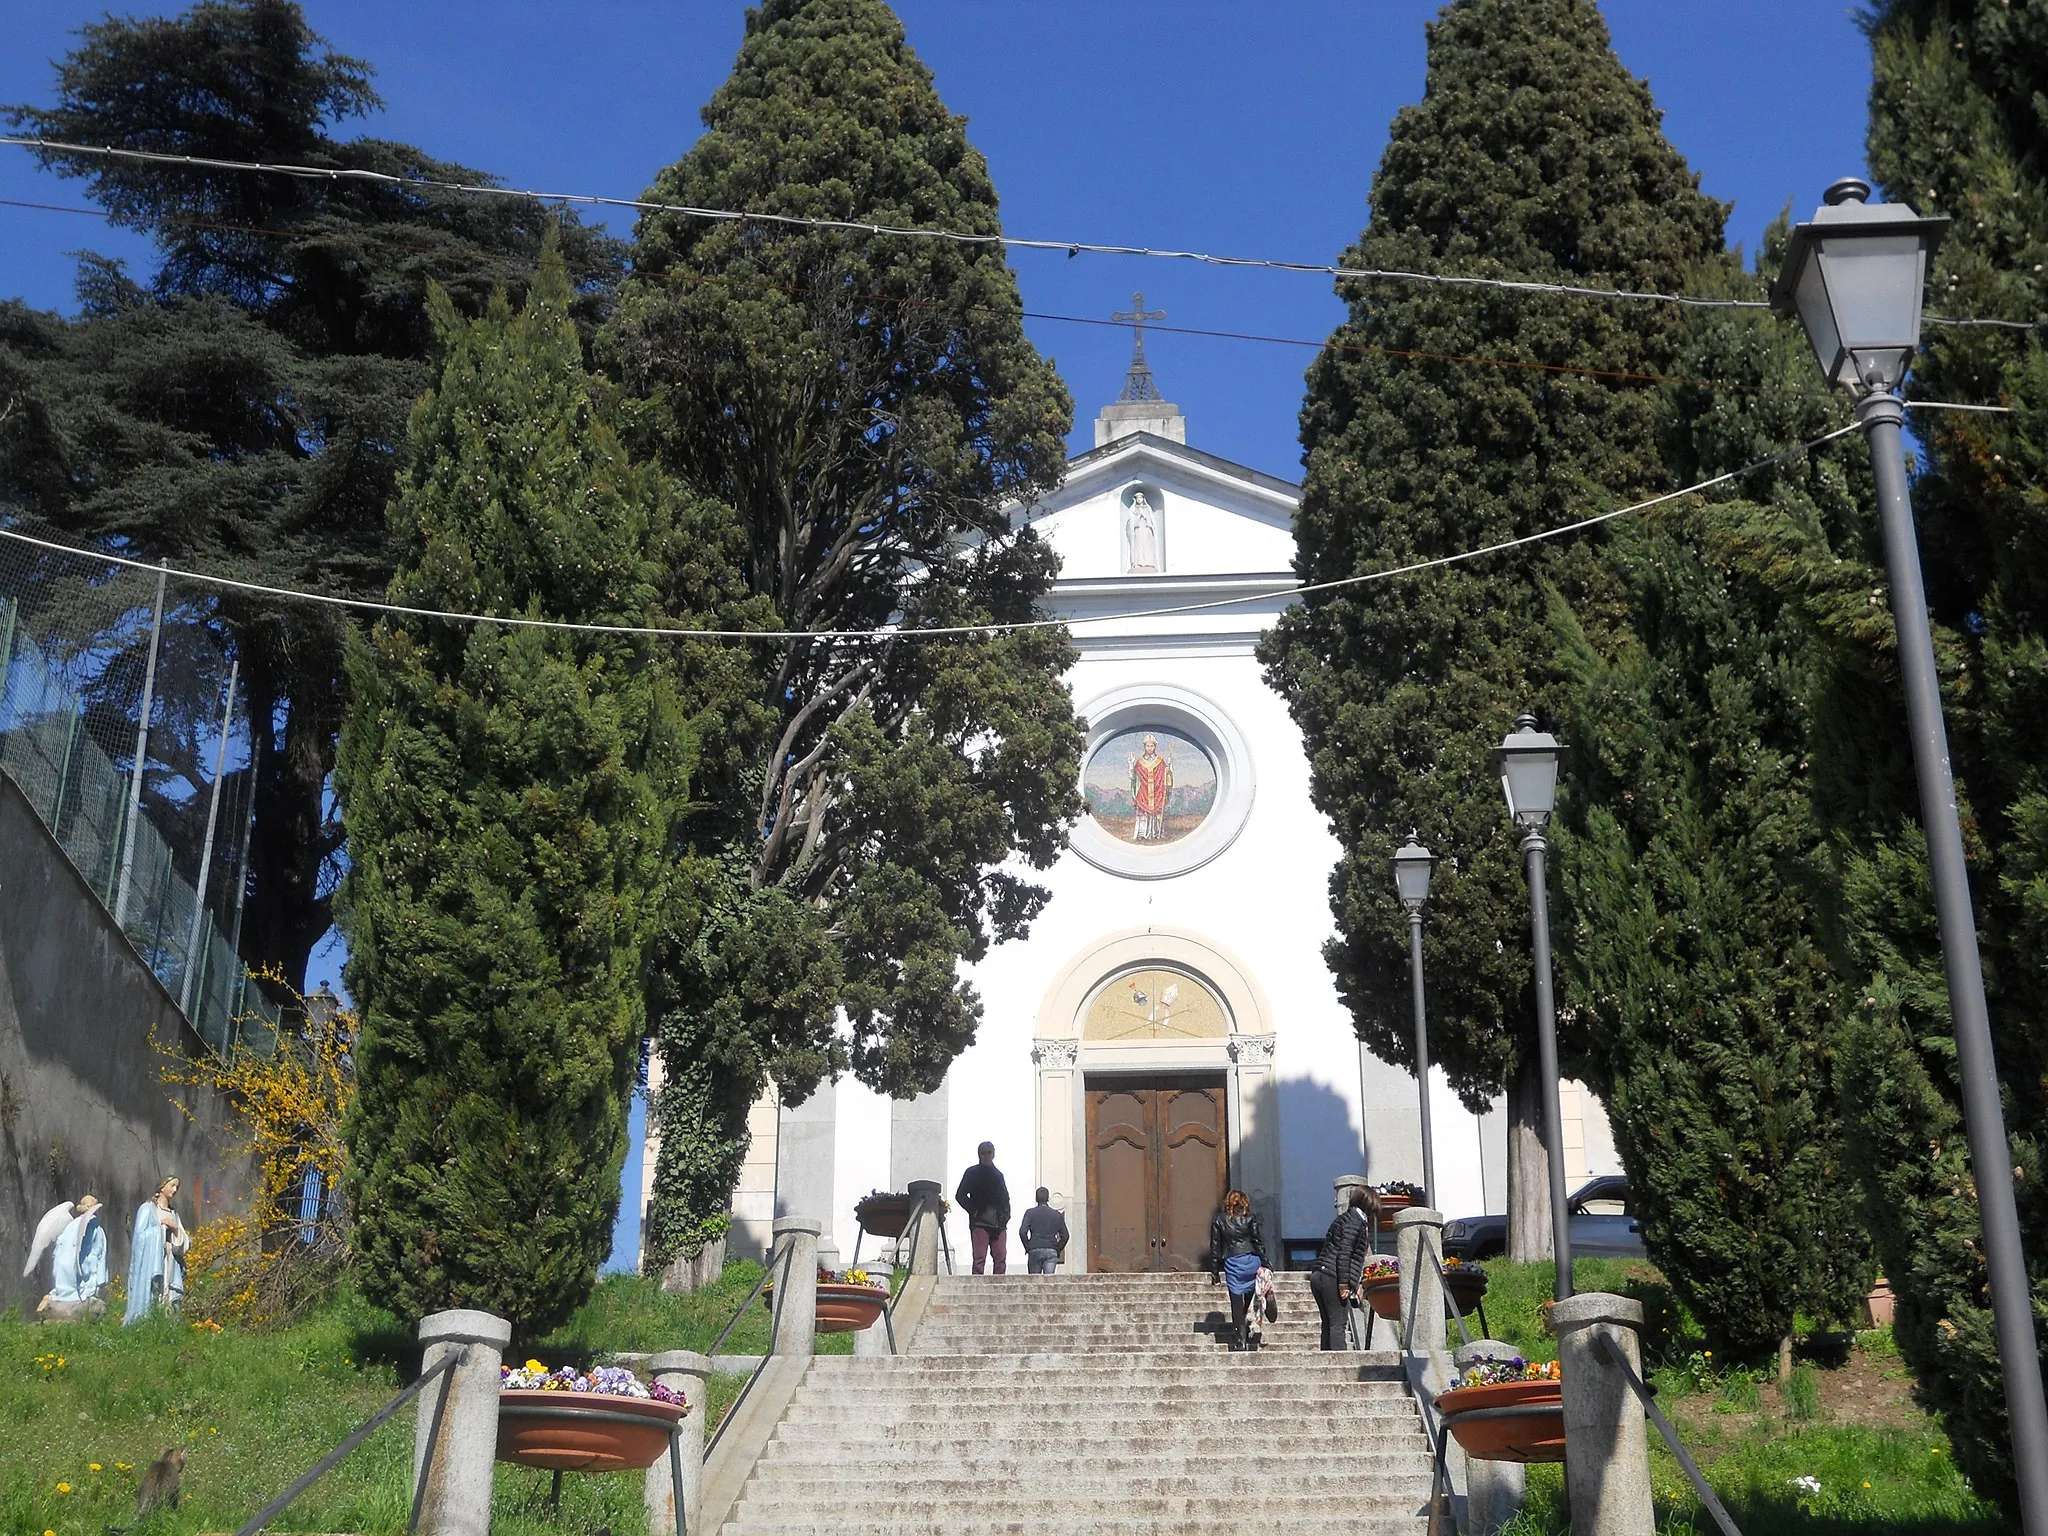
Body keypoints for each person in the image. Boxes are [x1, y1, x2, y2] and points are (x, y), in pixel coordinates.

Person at [1310, 1186, 1376, 1350]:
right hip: (1333, 1276)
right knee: (1338, 1324)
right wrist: (1344, 1284)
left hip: (1320, 1273)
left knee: (1328, 1324)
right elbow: (1345, 1252)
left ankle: (1327, 1365)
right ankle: (1342, 1366)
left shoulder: (1344, 1219)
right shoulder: (1355, 1221)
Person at [124, 1175, 189, 1325]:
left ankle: (165, 1321)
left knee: (167, 1289)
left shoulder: (173, 1214)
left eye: (177, 1187)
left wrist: (175, 1230)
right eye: (172, 1185)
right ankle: (146, 1320)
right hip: (152, 1260)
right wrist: (160, 1229)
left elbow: (184, 1240)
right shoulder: (147, 1208)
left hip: (170, 1260)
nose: (175, 1190)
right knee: (154, 1289)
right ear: (162, 1187)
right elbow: (139, 1237)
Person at [1208, 1188, 1266, 1351]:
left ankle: (1240, 1339)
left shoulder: (1219, 1219)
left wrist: (1214, 1272)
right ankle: (1247, 1323)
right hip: (1250, 1260)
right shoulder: (1250, 1218)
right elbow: (1258, 1241)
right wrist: (1266, 1263)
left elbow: (1215, 1247)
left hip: (1233, 1262)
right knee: (1249, 1295)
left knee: (1236, 1301)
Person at [956, 1142, 1012, 1275]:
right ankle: (975, 1288)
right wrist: (974, 1210)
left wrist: (1006, 1215)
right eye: (983, 1153)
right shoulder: (971, 1173)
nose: (986, 1156)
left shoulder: (998, 1175)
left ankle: (999, 1287)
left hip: (999, 1223)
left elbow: (1005, 1198)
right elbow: (960, 1195)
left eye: (989, 1153)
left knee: (1000, 1257)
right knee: (979, 1259)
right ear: (979, 1155)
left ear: (994, 1154)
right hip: (980, 1222)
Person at [1018, 1187, 1069, 1274]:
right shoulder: (1056, 1215)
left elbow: (1022, 1232)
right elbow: (1065, 1236)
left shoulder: (1030, 1213)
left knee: (1034, 1281)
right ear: (1048, 1198)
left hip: (1035, 1248)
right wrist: (1057, 1249)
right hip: (1051, 1249)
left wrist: (1028, 1247)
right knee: (1048, 1281)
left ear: (1036, 1199)